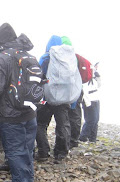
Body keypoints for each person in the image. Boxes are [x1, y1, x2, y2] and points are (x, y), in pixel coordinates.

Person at [0, 23, 37, 182]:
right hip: (30, 111)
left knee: (15, 149)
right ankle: (28, 180)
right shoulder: (27, 55)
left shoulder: (1, 58)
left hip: (10, 112)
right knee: (27, 148)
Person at [35, 35, 72, 163]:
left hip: (47, 98)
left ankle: (43, 153)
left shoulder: (46, 57)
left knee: (40, 124)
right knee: (63, 124)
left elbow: (38, 75)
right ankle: (61, 154)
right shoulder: (68, 59)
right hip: (63, 99)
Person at [79, 64, 101, 142]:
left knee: (95, 119)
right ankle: (83, 136)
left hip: (95, 99)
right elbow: (84, 91)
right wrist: (86, 102)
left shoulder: (94, 77)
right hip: (88, 100)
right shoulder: (85, 78)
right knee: (91, 120)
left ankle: (92, 138)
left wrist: (97, 75)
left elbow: (99, 85)